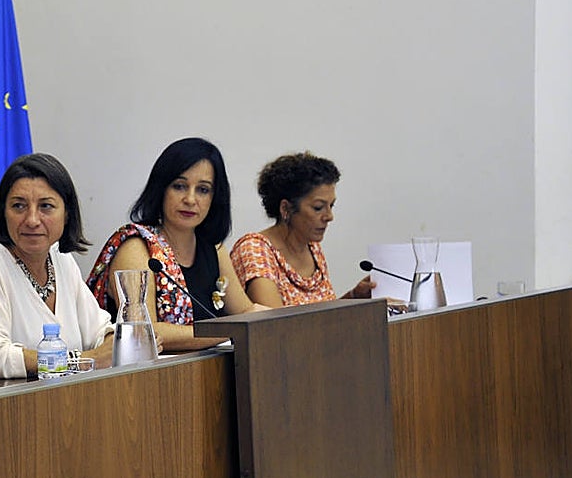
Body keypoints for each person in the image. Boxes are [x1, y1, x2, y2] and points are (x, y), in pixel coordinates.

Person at [86, 137, 266, 352]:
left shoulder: (213, 249)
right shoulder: (137, 247)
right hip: (153, 378)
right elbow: (144, 331)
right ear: (161, 189)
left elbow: (245, 313)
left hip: (210, 373)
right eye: (180, 186)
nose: (190, 199)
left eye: (203, 189)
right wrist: (229, 330)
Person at [0, 153, 114, 378]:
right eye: (18, 206)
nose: (31, 220)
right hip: (12, 405)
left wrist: (113, 342)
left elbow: (100, 331)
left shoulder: (60, 257)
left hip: (70, 400)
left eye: (46, 206)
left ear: (66, 214)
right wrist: (80, 361)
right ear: (3, 212)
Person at [230, 151, 375, 306]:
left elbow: (319, 315)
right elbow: (273, 324)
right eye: (318, 207)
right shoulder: (255, 250)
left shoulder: (313, 248)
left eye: (331, 206)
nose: (329, 216)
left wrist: (355, 297)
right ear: (286, 208)